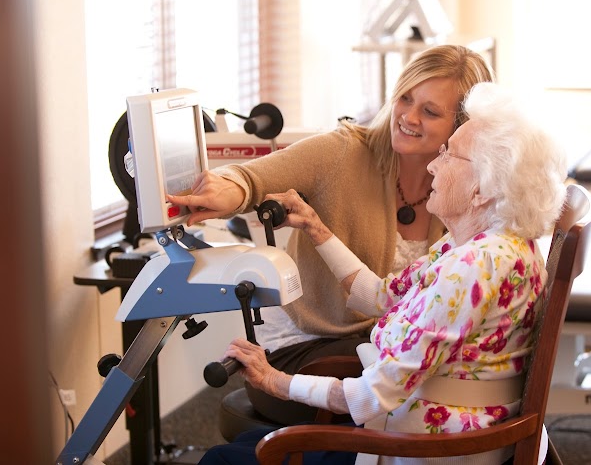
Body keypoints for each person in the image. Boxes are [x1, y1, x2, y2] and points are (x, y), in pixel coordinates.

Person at [198, 82, 568, 465]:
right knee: (245, 449)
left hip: (416, 447)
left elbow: (368, 396)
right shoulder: (489, 245)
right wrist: (317, 229)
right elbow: (380, 296)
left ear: (482, 189)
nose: (433, 165)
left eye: (450, 156)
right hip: (433, 429)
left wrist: (276, 380)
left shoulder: (470, 268)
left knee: (224, 460)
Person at [167, 45, 493, 424]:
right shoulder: (343, 152)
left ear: (462, 127)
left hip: (380, 344)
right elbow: (251, 179)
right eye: (405, 97)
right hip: (302, 349)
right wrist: (224, 191)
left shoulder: (462, 190)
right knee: (414, 380)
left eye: (430, 111)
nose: (408, 116)